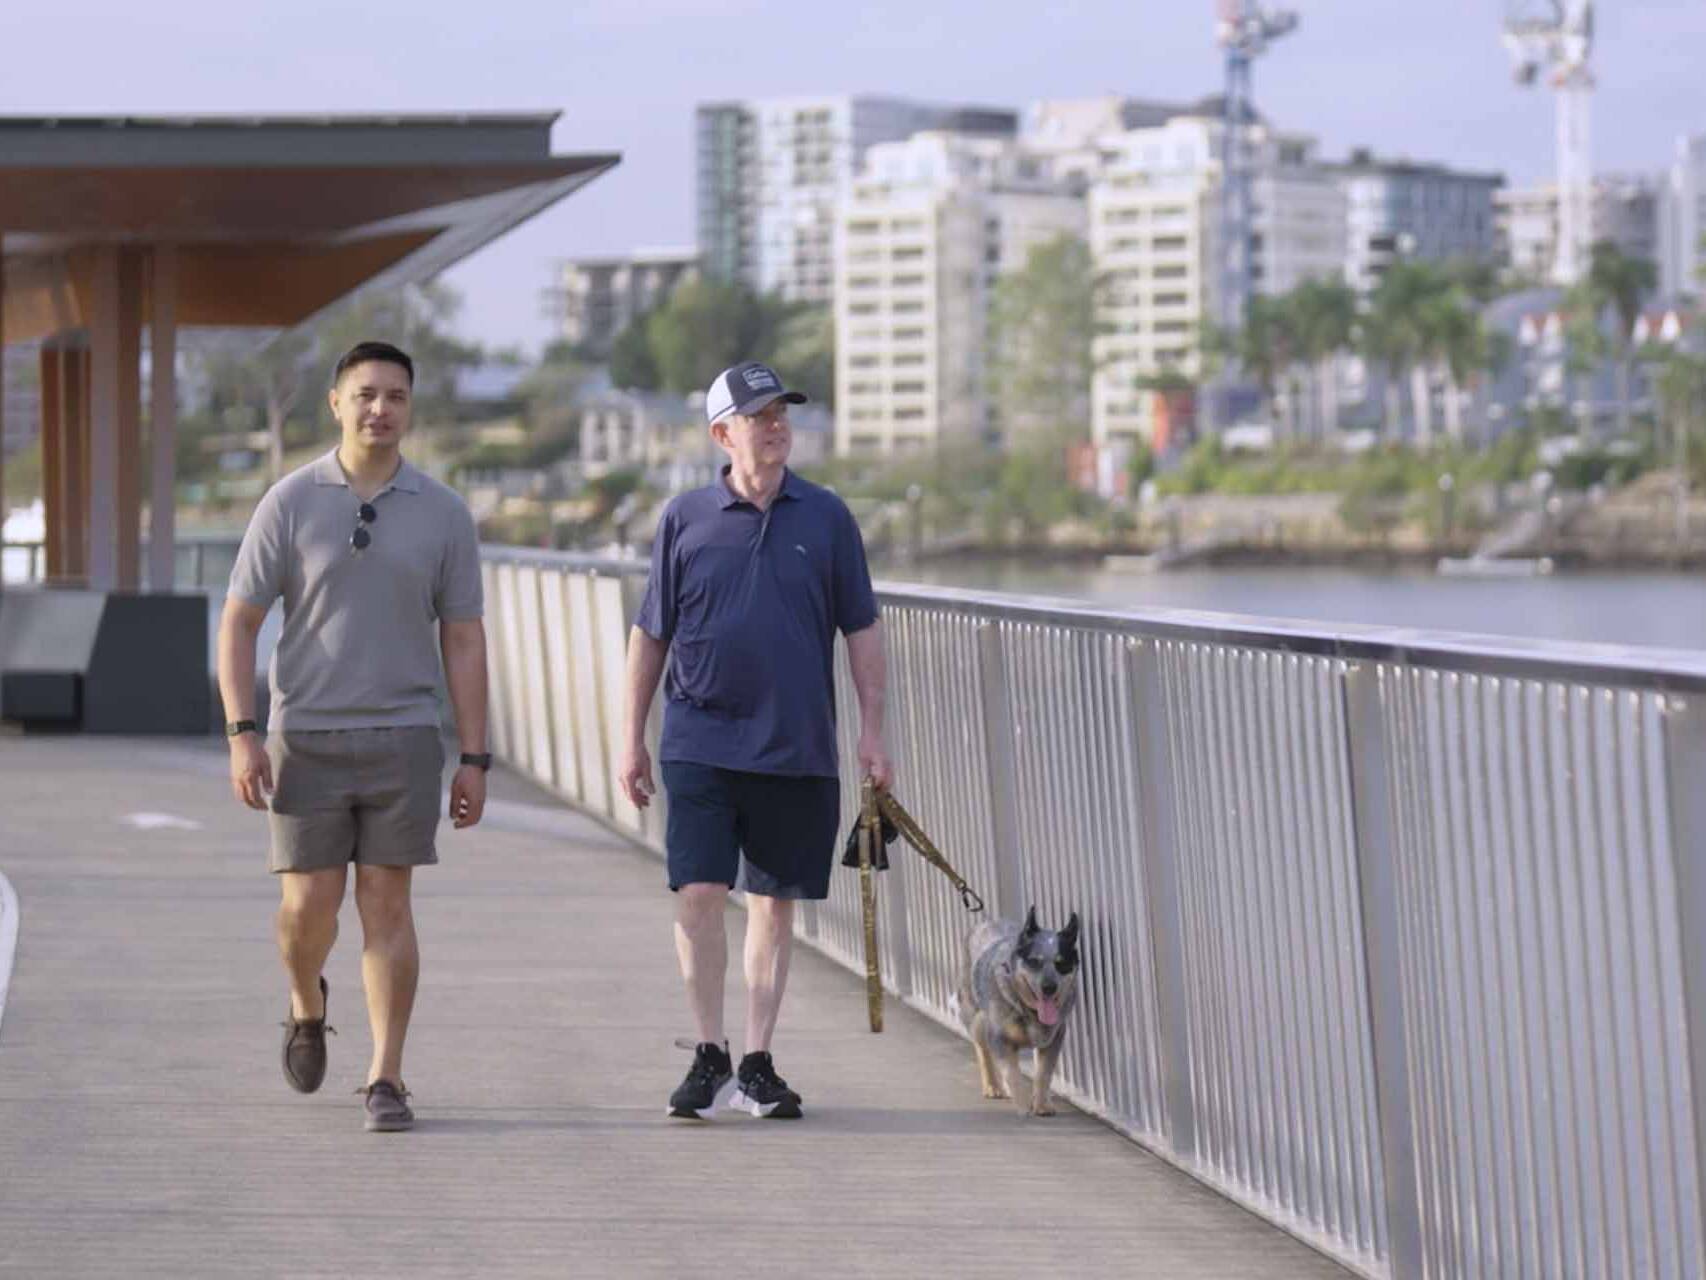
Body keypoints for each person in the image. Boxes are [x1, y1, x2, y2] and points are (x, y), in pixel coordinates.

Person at [216, 340, 490, 1133]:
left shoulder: (442, 512)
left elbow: (464, 640)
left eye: (396, 396)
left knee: (387, 905)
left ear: (410, 407)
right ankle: (307, 1002)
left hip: (405, 736)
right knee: (307, 910)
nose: (381, 409)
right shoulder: (291, 500)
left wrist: (473, 757)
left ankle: (386, 1077)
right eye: (366, 394)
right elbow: (239, 624)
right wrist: (243, 733)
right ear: (335, 403)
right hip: (306, 736)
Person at [619, 360, 892, 1121]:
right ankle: (710, 1056)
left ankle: (759, 1062)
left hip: (795, 744)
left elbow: (862, 629)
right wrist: (630, 740)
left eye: (782, 412)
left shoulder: (828, 518)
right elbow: (651, 635)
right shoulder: (685, 518)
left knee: (773, 904)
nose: (775, 426)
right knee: (700, 891)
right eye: (758, 414)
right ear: (722, 433)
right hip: (699, 739)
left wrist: (874, 732)